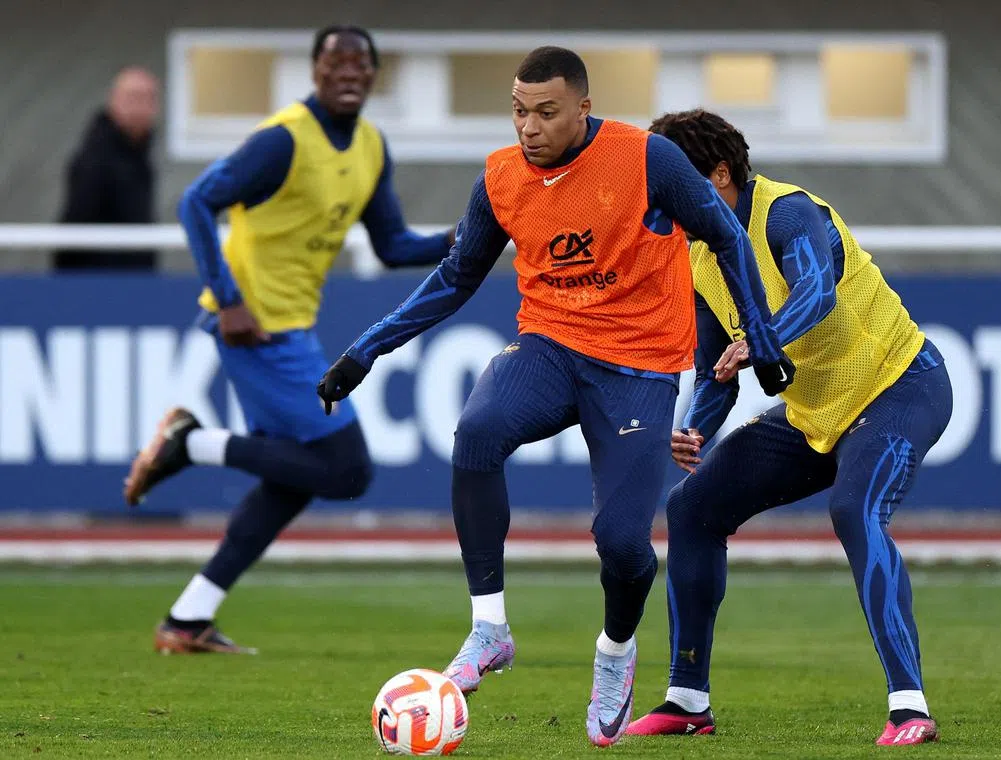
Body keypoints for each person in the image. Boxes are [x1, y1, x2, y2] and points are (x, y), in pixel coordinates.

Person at [315, 47, 794, 746]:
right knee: (476, 433)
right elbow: (455, 277)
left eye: (545, 112)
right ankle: (488, 629)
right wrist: (366, 350)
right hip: (549, 345)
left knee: (622, 545)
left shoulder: (647, 158)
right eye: (518, 111)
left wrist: (763, 337)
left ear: (582, 110)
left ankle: (615, 653)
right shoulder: (501, 177)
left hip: (637, 367)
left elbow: (725, 234)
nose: (528, 127)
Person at [122, 25, 455, 656]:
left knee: (293, 481)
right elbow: (196, 202)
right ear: (315, 72)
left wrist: (455, 240)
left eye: (361, 66)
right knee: (349, 470)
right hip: (256, 329)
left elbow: (390, 246)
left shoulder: (370, 145)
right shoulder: (283, 140)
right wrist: (228, 299)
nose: (349, 75)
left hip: (291, 327)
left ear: (374, 77)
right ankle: (190, 443)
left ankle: (187, 619)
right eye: (336, 65)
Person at [624, 109, 951, 746]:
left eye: (669, 184)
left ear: (719, 173)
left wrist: (756, 341)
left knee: (855, 508)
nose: (658, 204)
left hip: (900, 387)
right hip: (816, 414)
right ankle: (687, 700)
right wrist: (695, 426)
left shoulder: (786, 212)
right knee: (691, 508)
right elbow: (717, 362)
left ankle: (910, 707)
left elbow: (818, 291)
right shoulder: (698, 253)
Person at [53, 67, 160, 271]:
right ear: (113, 100)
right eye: (133, 97)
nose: (140, 107)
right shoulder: (94, 158)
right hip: (98, 282)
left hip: (137, 281)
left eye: (149, 98)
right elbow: (75, 224)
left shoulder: (141, 155)